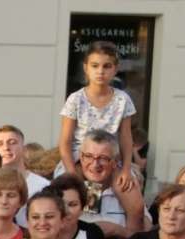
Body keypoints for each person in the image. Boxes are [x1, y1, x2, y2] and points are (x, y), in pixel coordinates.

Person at [58, 40, 136, 188]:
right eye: (95, 66)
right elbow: (65, 141)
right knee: (69, 192)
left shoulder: (123, 99)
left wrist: (126, 169)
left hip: (111, 160)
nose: (100, 71)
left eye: (107, 66)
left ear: (115, 69)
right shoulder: (75, 99)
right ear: (86, 68)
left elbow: (126, 138)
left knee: (130, 192)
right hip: (79, 159)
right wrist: (71, 171)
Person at [77, 130, 147, 239]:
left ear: (115, 161)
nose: (95, 164)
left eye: (103, 158)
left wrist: (117, 231)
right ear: (81, 157)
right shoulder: (71, 188)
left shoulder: (127, 188)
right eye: (89, 156)